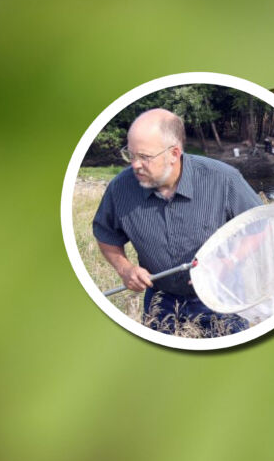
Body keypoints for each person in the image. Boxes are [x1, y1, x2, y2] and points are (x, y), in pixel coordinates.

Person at [93, 109, 262, 337]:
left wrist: (229, 261)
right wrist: (126, 269)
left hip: (221, 297)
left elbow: (260, 227)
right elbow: (106, 237)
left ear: (174, 153)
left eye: (144, 157)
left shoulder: (224, 179)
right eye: (130, 155)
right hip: (161, 302)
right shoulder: (119, 189)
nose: (135, 165)